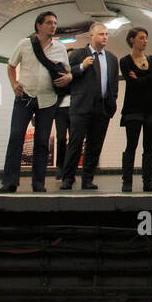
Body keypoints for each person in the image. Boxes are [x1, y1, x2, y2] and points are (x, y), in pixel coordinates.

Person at [0, 11, 72, 193]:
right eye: (49, 22)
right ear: (38, 25)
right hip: (25, 96)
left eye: (55, 22)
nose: (53, 26)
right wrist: (13, 83)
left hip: (48, 99)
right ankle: (10, 182)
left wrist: (68, 78)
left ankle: (38, 183)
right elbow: (11, 65)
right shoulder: (25, 44)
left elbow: (68, 72)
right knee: (16, 137)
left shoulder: (60, 48)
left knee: (41, 141)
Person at [60, 22, 118, 191]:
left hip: (102, 108)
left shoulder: (112, 59)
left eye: (106, 34)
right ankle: (68, 178)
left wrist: (112, 102)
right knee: (75, 143)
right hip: (81, 107)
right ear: (91, 36)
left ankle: (88, 179)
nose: (105, 37)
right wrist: (81, 67)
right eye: (101, 34)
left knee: (95, 145)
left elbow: (113, 83)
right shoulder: (79, 54)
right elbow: (67, 74)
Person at [119, 27, 152, 192]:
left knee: (148, 147)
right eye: (141, 38)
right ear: (132, 40)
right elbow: (132, 84)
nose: (145, 41)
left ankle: (147, 181)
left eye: (146, 38)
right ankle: (127, 181)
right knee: (131, 145)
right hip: (133, 108)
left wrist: (141, 79)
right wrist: (148, 79)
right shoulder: (125, 61)